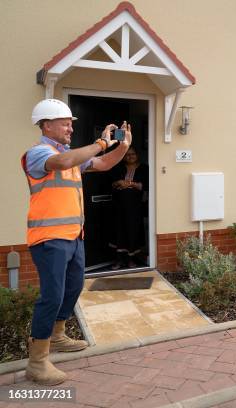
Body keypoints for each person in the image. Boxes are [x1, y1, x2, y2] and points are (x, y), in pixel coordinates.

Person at [22, 99, 132, 385]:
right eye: (65, 122)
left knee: (72, 288)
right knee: (52, 295)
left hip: (73, 236)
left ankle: (57, 336)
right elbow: (62, 161)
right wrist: (99, 142)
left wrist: (121, 146)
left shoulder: (73, 155)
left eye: (72, 123)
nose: (71, 127)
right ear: (46, 125)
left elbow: (105, 163)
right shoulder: (38, 153)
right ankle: (36, 363)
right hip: (48, 239)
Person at [110, 147, 148, 269]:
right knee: (119, 231)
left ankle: (131, 260)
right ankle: (119, 260)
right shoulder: (118, 167)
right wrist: (119, 182)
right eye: (127, 154)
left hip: (135, 207)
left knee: (133, 231)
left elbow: (145, 186)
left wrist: (130, 184)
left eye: (132, 154)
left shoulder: (144, 168)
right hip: (119, 207)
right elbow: (112, 183)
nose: (130, 156)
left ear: (137, 155)